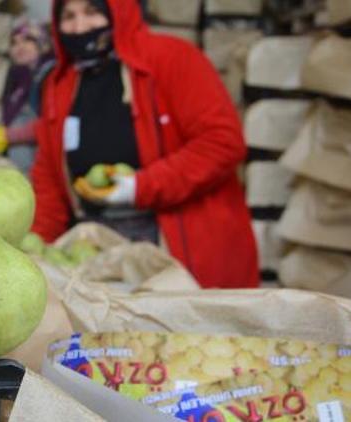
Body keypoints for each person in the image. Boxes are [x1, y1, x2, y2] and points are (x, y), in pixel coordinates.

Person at [32, 0, 259, 289]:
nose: (79, 27)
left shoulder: (172, 59)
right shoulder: (59, 83)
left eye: (92, 13)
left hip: (175, 244)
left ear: (118, 10)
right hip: (97, 247)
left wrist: (141, 187)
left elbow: (222, 142)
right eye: (68, 16)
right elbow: (50, 176)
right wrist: (37, 246)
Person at [0, 17, 54, 174]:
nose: (19, 47)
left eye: (27, 40)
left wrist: (10, 135)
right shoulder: (18, 77)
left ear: (42, 44)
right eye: (14, 42)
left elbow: (52, 125)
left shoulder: (49, 75)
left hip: (42, 161)